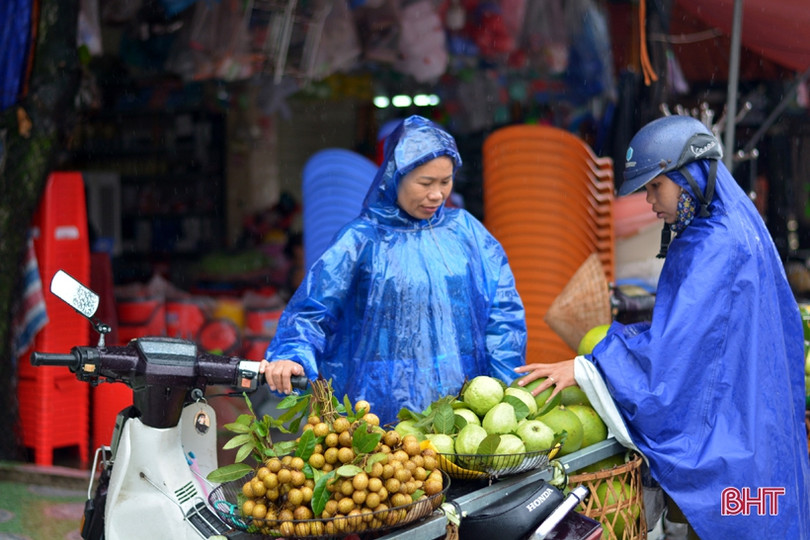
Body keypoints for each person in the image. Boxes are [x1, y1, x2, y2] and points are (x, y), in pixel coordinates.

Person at [515, 115, 810, 539]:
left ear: (689, 174)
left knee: (730, 521)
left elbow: (673, 361)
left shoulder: (713, 247)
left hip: (732, 456)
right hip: (758, 446)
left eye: (656, 186)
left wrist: (586, 369)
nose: (649, 201)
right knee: (762, 514)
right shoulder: (735, 230)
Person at [259, 115, 527, 425]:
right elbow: (313, 311)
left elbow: (502, 313)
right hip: (374, 407)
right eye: (425, 183)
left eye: (445, 181)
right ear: (394, 177)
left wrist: (506, 392)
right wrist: (292, 355)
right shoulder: (361, 240)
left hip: (464, 410)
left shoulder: (467, 233)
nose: (437, 195)